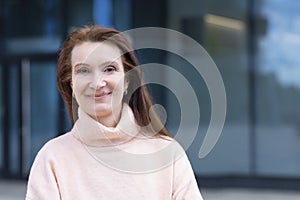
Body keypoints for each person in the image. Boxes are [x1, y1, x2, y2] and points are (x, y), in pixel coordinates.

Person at [26, 25, 203, 200]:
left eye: (109, 69)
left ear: (127, 81)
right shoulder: (52, 158)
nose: (97, 83)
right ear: (71, 84)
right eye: (84, 71)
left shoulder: (167, 152)